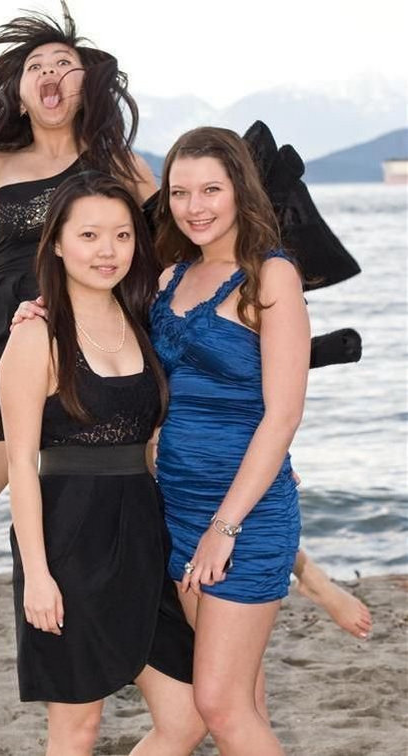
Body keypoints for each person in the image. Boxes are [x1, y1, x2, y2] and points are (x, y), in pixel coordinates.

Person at [0, 5, 156, 626]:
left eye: (64, 63)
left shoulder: (118, 163)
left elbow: (173, 246)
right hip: (9, 363)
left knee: (151, 517)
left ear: (85, 87)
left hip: (104, 366)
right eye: (35, 66)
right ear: (19, 95)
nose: (49, 73)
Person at [0, 170, 206, 756]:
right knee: (77, 727)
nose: (107, 251)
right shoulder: (36, 335)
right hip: (69, 540)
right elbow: (19, 465)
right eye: (89, 235)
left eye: (122, 235)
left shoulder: (143, 319)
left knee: (187, 718)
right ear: (59, 244)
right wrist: (38, 575)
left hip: (144, 534)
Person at [147, 126, 327, 753]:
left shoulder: (272, 276)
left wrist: (224, 527)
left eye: (210, 190)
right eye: (179, 192)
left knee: (220, 705)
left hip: (244, 518)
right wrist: (35, 310)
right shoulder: (169, 277)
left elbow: (283, 415)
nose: (193, 207)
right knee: (243, 701)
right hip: (177, 506)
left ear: (239, 191)